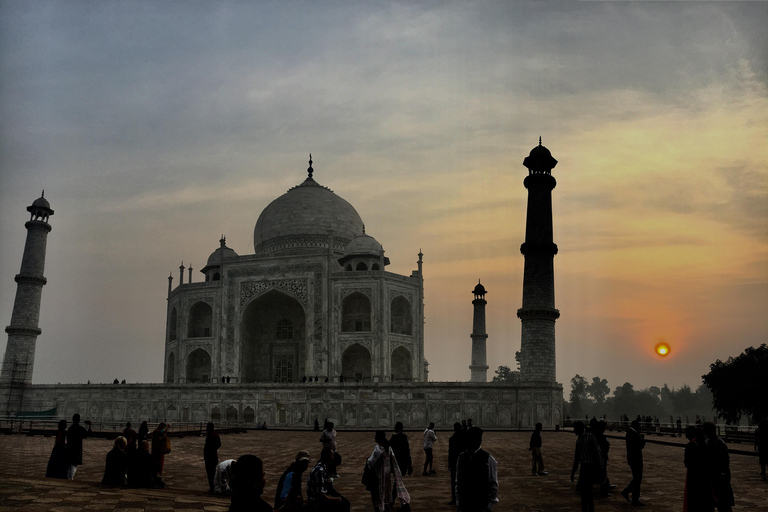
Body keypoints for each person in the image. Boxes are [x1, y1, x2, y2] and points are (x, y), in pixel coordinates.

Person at [455, 427, 498, 512]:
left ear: (478, 440)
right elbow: (458, 482)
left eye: (470, 439)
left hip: (481, 505)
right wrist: (458, 503)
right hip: (465, 505)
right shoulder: (461, 457)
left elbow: (493, 484)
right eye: (467, 438)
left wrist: (489, 507)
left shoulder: (488, 459)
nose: (467, 441)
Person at [366, 430, 411, 512]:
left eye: (375, 436)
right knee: (386, 489)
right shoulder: (388, 448)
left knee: (379, 491)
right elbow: (393, 460)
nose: (374, 437)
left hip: (380, 473)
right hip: (387, 471)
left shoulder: (378, 449)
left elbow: (370, 462)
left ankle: (380, 506)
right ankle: (386, 504)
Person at [570, 421, 603, 512]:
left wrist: (600, 466)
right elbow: (577, 458)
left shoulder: (590, 437)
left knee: (587, 491)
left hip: (591, 468)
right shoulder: (579, 441)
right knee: (584, 492)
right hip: (584, 468)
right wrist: (573, 472)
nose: (574, 431)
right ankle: (586, 509)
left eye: (575, 428)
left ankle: (589, 509)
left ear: (580, 428)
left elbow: (597, 452)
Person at [307, 447, 350, 512]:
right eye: (332, 454)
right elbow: (320, 494)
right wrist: (334, 499)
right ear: (329, 456)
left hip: (320, 498)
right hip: (316, 502)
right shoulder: (320, 471)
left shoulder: (324, 468)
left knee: (345, 502)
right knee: (343, 505)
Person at [703, 422, 734, 512]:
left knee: (723, 502)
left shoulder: (717, 443)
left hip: (719, 475)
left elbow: (724, 461)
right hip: (718, 474)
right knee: (722, 502)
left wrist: (723, 474)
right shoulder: (715, 441)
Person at [684, 426, 714, 512]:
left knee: (694, 502)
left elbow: (687, 463)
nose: (686, 436)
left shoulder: (690, 446)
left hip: (694, 477)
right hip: (705, 477)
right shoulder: (705, 444)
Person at [621, 419, 646, 506]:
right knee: (637, 479)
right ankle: (633, 497)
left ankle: (629, 493)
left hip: (632, 459)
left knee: (636, 478)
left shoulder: (630, 433)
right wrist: (642, 439)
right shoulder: (634, 434)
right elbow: (640, 446)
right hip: (636, 459)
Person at [66, 413, 89, 480]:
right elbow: (86, 434)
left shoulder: (70, 428)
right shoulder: (79, 428)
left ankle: (68, 478)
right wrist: (89, 426)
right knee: (74, 465)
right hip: (77, 449)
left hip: (70, 448)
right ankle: (70, 478)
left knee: (69, 465)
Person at [447, 422, 466, 505]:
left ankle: (455, 498)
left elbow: (450, 452)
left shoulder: (453, 438)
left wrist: (450, 463)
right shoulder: (465, 437)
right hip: (464, 461)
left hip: (455, 462)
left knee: (454, 481)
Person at [595, 420, 613, 496]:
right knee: (602, 473)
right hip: (601, 457)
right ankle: (604, 490)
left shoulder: (596, 435)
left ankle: (605, 486)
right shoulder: (599, 436)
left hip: (599, 457)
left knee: (602, 473)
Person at [205, 422, 222, 493]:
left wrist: (211, 449)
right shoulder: (216, 435)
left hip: (209, 457)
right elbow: (219, 444)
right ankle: (215, 487)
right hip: (214, 456)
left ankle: (212, 488)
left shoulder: (210, 435)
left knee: (210, 474)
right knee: (214, 473)